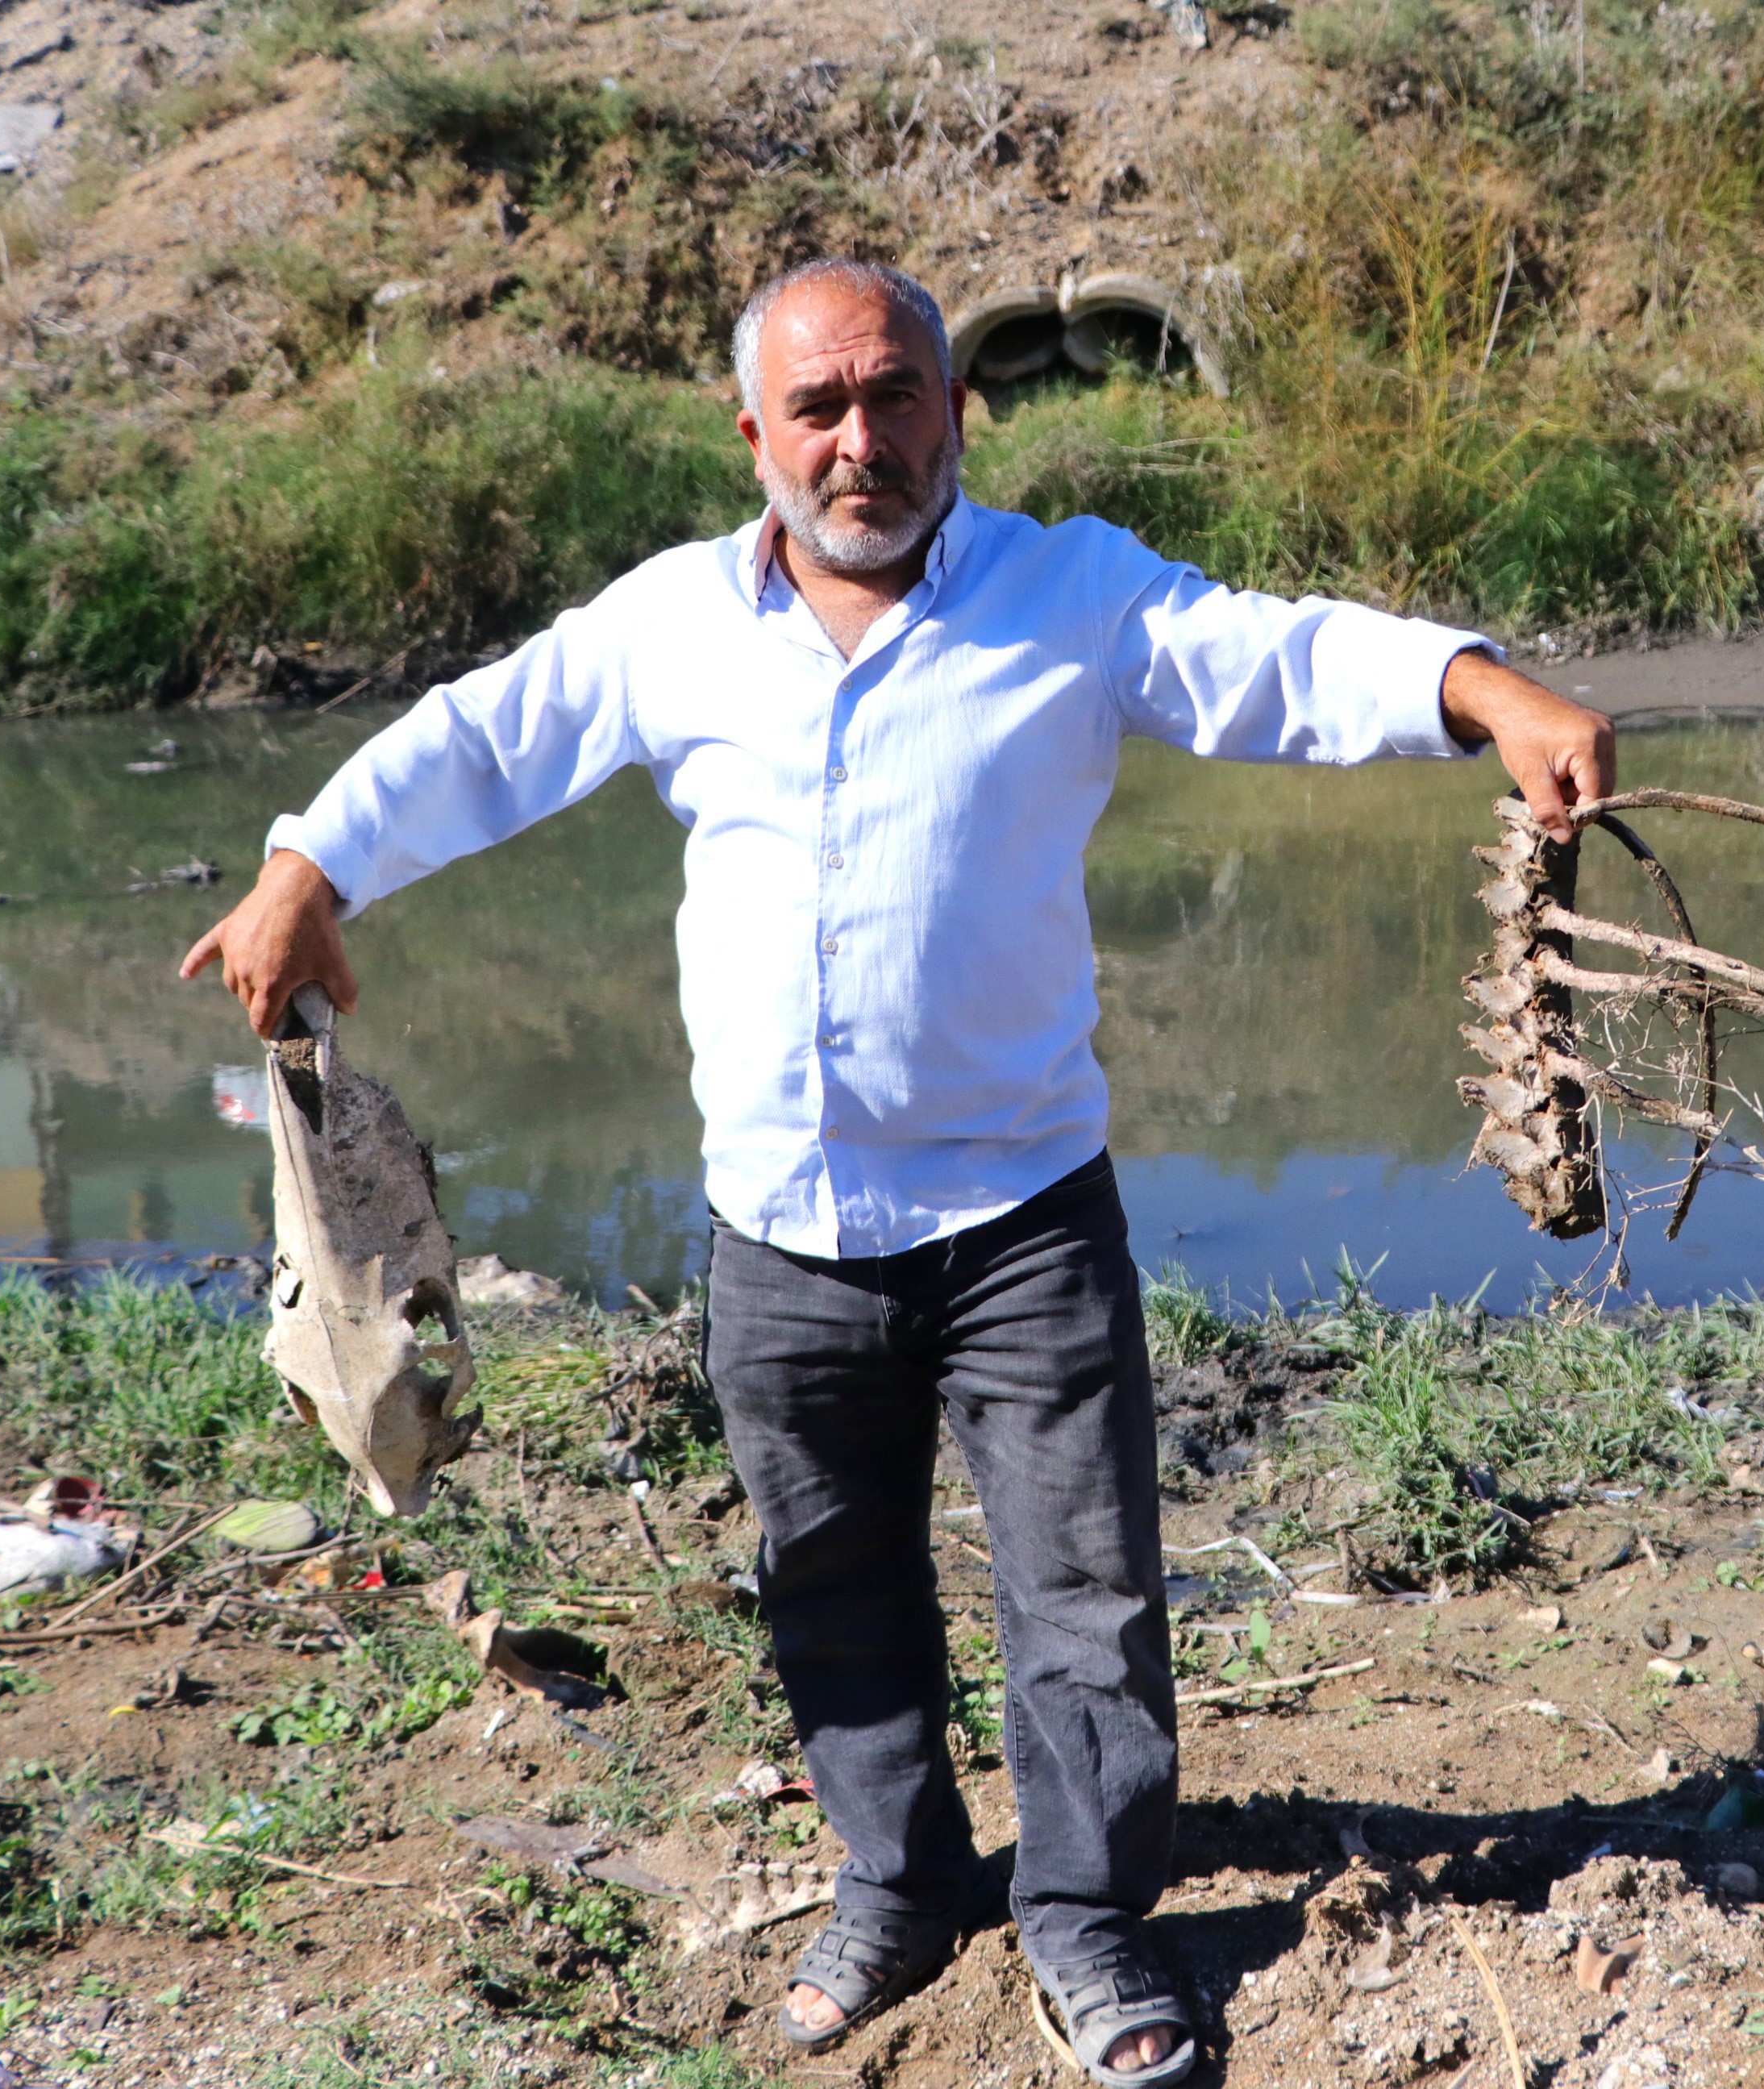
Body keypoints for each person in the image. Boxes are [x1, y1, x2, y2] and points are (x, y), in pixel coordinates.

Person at [182, 256, 1613, 2086]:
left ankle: (1090, 1919)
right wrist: (311, 865)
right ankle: (901, 1881)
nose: (865, 442)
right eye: (822, 409)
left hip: (1023, 1217)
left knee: (1084, 1597)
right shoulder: (674, 625)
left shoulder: (1067, 595)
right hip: (778, 1235)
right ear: (754, 436)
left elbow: (1271, 656)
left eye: (900, 397)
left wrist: (1485, 693)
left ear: (959, 407)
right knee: (831, 1579)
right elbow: (484, 737)